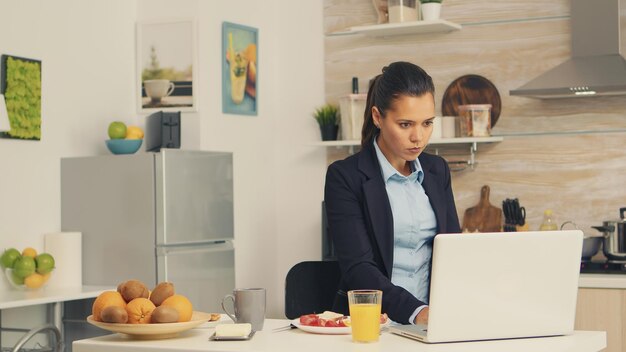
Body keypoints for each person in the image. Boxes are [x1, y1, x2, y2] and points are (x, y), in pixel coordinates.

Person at [324, 61, 461, 325]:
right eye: (405, 124)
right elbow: (359, 269)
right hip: (374, 324)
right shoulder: (345, 176)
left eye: (427, 123)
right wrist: (418, 312)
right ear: (378, 117)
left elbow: (454, 250)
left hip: (436, 322)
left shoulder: (437, 170)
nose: (418, 137)